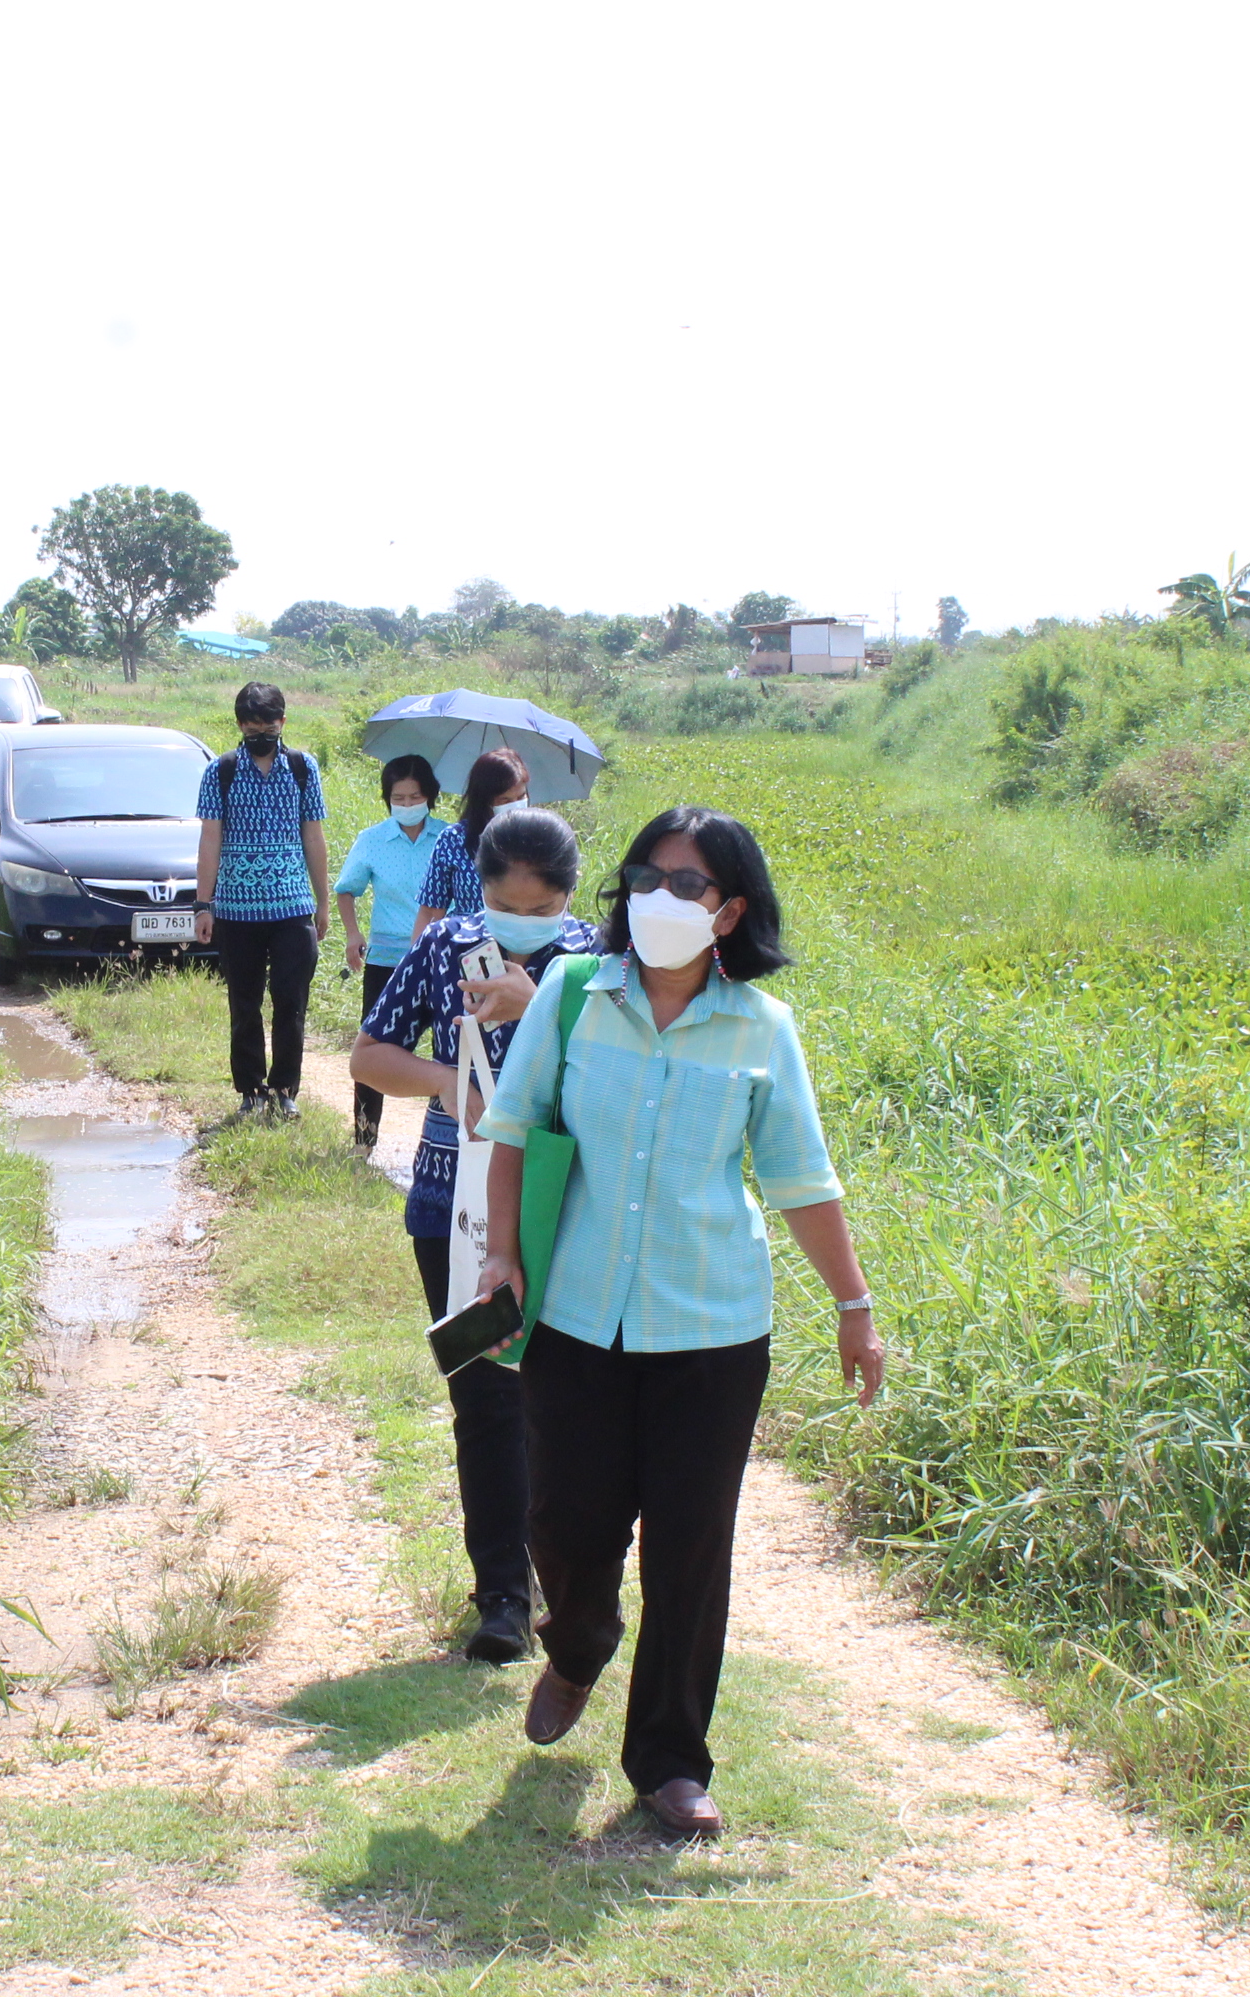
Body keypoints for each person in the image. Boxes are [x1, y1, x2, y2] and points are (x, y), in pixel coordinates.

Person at [475, 805, 886, 1839]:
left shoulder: (761, 1031)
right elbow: (515, 1126)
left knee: (691, 1548)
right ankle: (578, 1644)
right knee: (565, 1526)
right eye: (645, 877)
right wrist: (500, 1251)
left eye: (688, 884)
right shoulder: (571, 996)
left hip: (711, 1327)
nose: (660, 898)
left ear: (731, 909)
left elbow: (800, 1179)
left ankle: (668, 1759)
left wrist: (853, 1305)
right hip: (575, 1316)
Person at [351, 806, 601, 1664]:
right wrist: (446, 1085)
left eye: (542, 909)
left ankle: (570, 1588)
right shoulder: (447, 948)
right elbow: (368, 1055)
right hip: (451, 1212)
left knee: (566, 1404)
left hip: (568, 1208)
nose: (524, 923)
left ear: (567, 897)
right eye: (508, 904)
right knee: (485, 1398)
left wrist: (545, 1002)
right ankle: (502, 1595)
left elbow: (626, 1072)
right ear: (481, 888)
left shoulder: (600, 963)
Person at [191, 680, 330, 1123]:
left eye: (268, 725)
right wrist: (202, 904)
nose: (261, 734)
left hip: (292, 908)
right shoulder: (221, 771)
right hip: (235, 911)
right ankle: (251, 1091)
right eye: (252, 727)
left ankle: (286, 1090)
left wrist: (322, 903)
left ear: (283, 722)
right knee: (244, 1004)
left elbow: (314, 837)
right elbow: (210, 839)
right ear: (240, 726)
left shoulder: (303, 768)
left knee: (291, 1003)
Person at [330, 755, 442, 1152]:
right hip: (386, 962)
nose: (408, 803)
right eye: (399, 796)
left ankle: (446, 1139)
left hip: (439, 961)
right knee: (374, 1049)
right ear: (387, 798)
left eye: (415, 796)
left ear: (430, 797)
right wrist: (352, 933)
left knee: (448, 1051)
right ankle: (364, 1140)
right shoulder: (372, 839)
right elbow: (346, 887)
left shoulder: (448, 840)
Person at [411, 747, 528, 939]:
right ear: (484, 801)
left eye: (521, 797)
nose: (514, 805)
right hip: (467, 948)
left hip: (523, 943)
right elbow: (431, 911)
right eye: (504, 800)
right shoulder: (455, 840)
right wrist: (416, 960)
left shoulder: (541, 837)